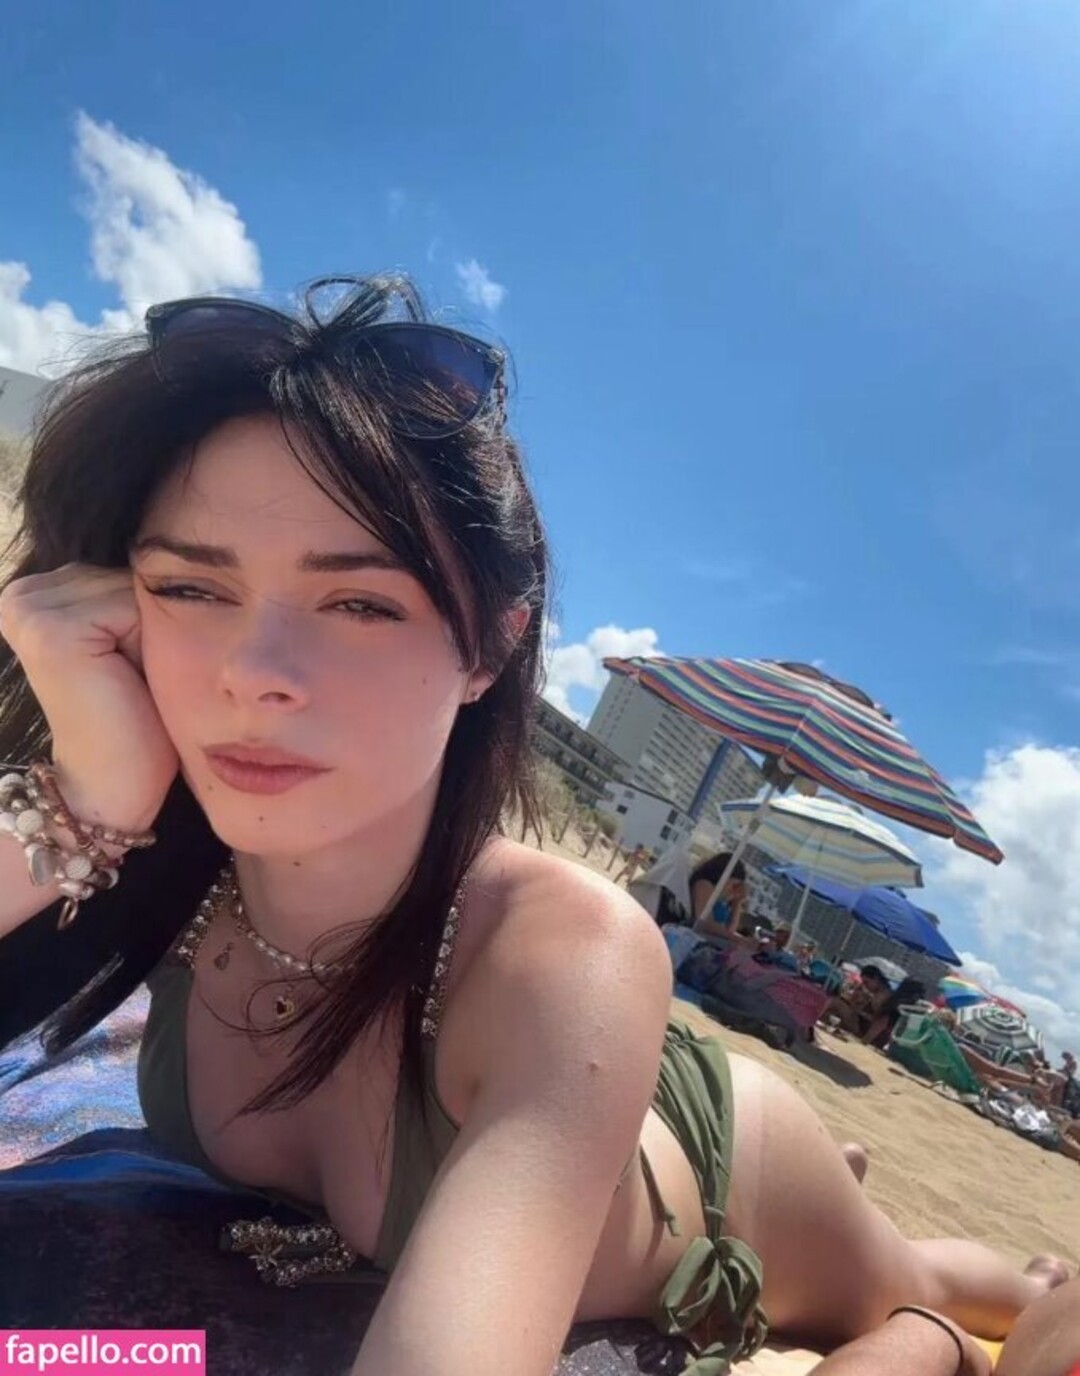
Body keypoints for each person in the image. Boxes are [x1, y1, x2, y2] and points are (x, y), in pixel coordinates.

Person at [0, 274, 1067, 1376]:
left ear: (490, 648)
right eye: (191, 588)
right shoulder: (162, 869)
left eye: (361, 602)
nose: (253, 673)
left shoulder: (563, 951)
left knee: (936, 1287)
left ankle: (972, 1296)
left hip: (728, 1168)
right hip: (579, 1097)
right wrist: (88, 794)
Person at [688, 851, 750, 942]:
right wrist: (739, 940)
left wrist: (738, 902)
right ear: (723, 876)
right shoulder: (704, 885)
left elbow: (729, 930)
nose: (734, 891)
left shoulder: (721, 901)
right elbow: (705, 923)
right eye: (734, 886)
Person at [821, 964, 892, 1037]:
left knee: (836, 1003)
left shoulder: (883, 996)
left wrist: (859, 1011)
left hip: (862, 1028)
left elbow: (878, 1020)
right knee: (831, 1013)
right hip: (859, 1023)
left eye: (866, 982)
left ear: (876, 979)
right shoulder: (879, 993)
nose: (865, 986)